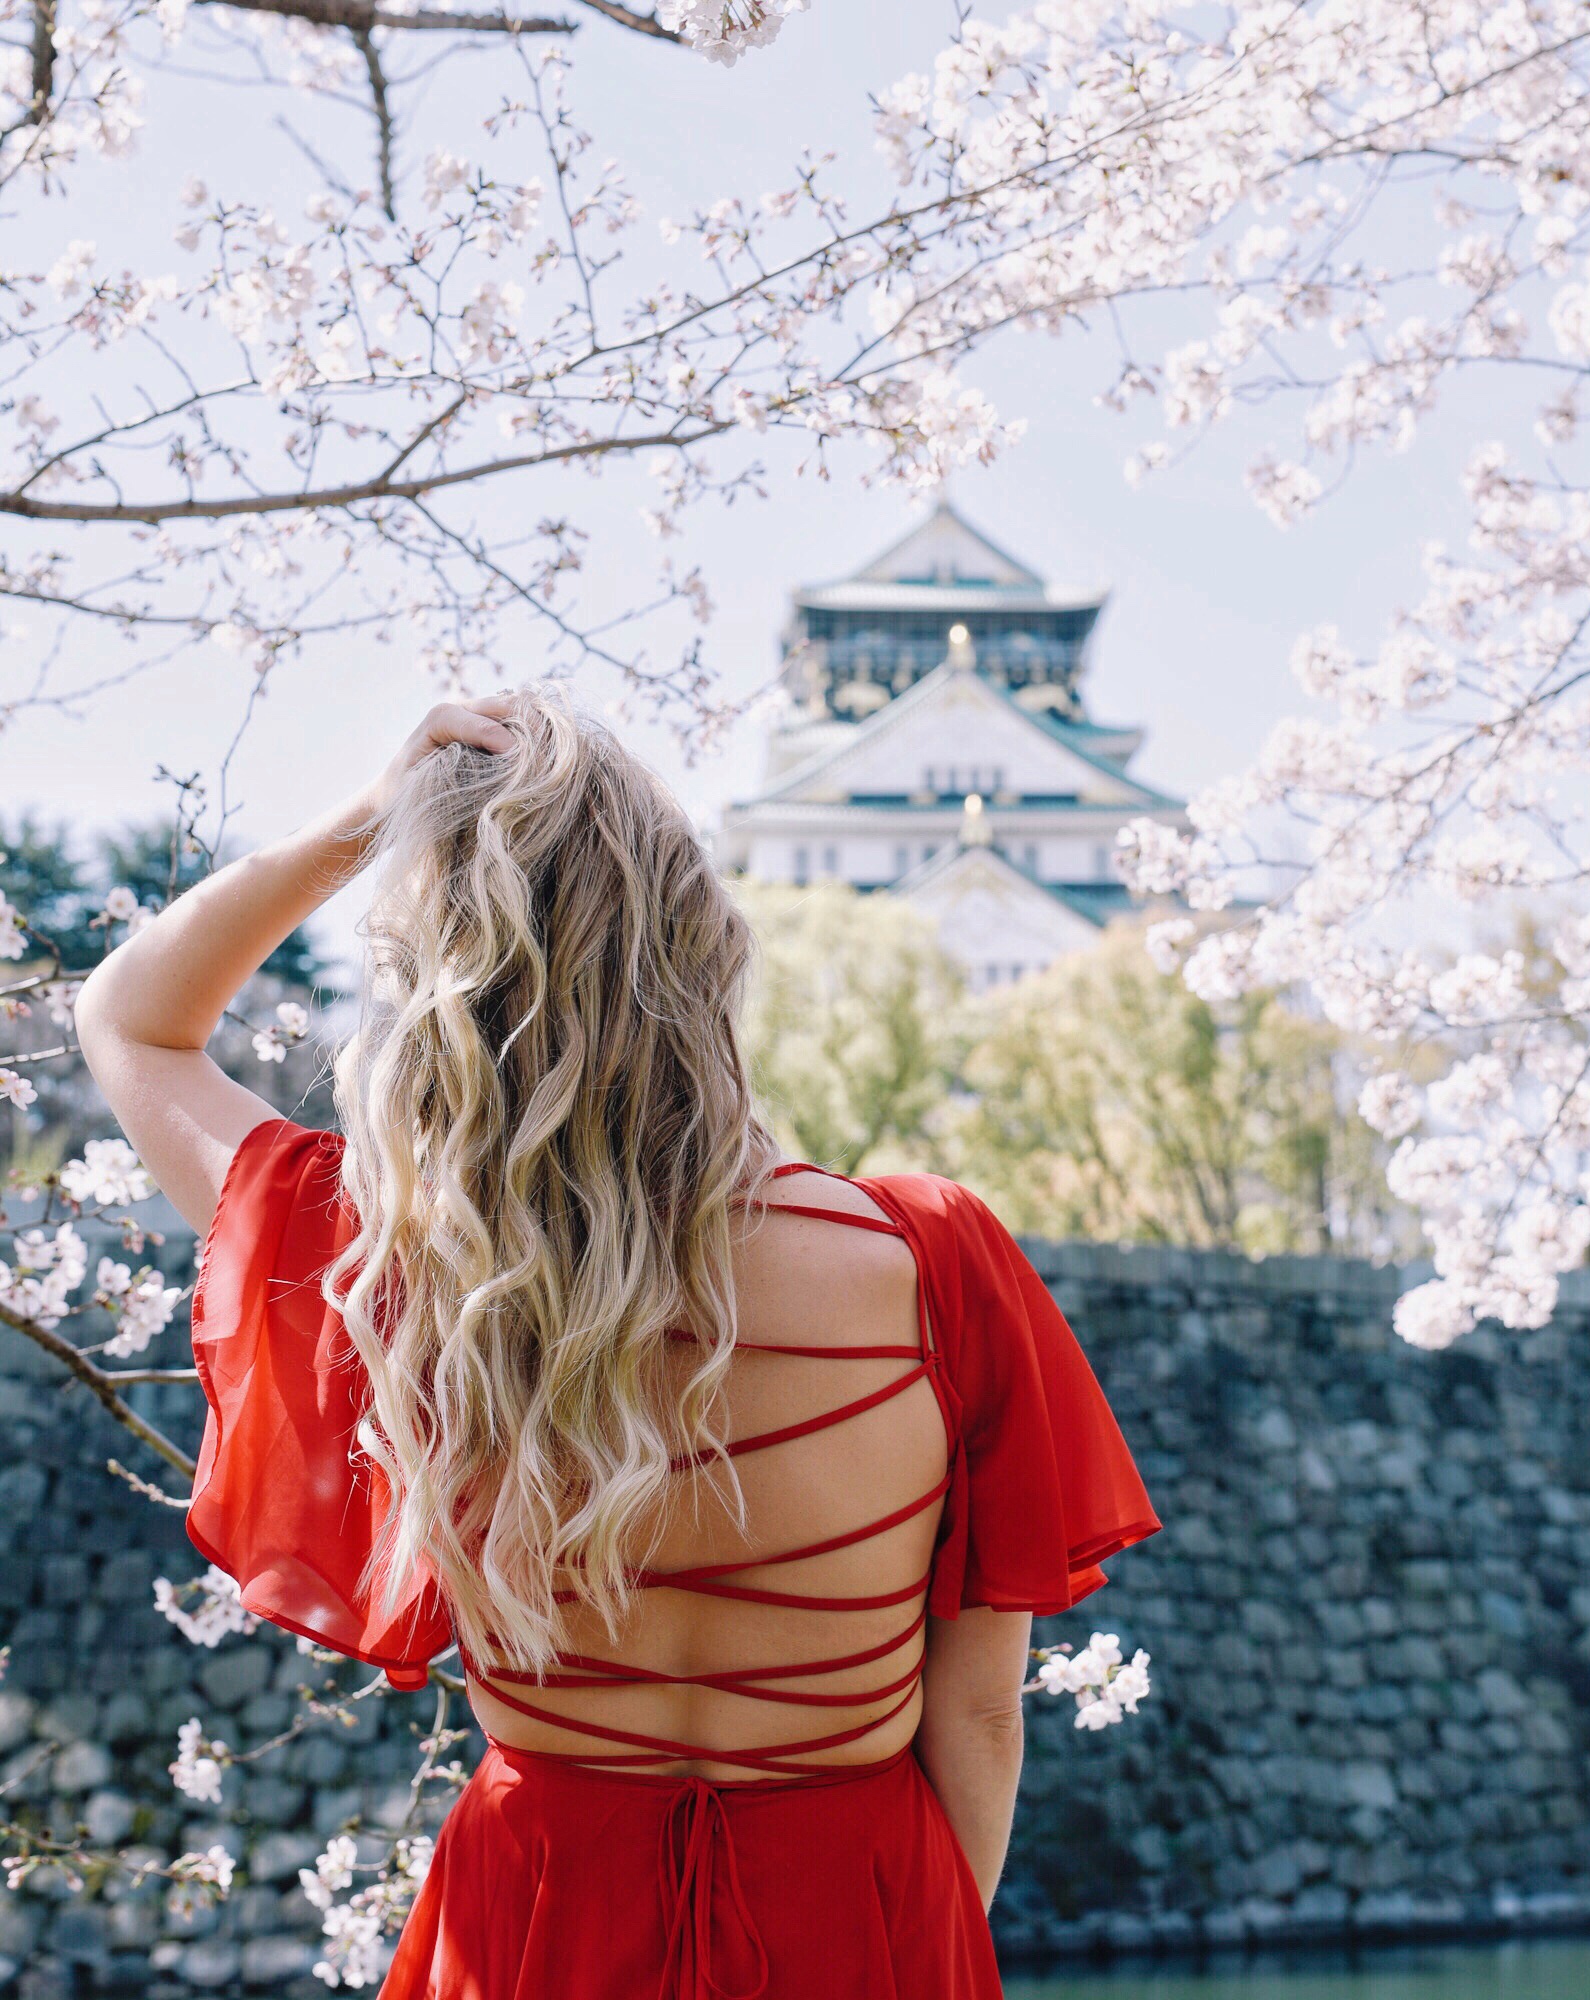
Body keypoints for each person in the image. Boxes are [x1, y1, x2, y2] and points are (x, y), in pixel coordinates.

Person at [75, 685, 1161, 1999]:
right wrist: (924, 1938)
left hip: (532, 1913)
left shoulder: (402, 1269)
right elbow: (979, 1711)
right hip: (857, 1909)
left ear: (447, 996)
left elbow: (129, 1019)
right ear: (704, 953)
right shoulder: (930, 1266)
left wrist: (376, 820)